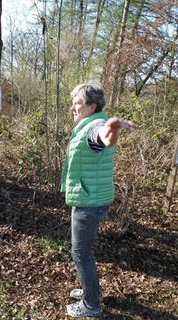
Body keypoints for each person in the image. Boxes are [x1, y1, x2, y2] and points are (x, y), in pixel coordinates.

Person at [61, 83, 137, 318]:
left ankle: (91, 305)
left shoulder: (96, 126)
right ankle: (92, 291)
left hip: (88, 201)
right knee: (84, 252)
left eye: (78, 102)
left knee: (80, 254)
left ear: (92, 106)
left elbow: (103, 139)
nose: (73, 106)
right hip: (91, 196)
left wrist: (112, 128)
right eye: (73, 101)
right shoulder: (87, 125)